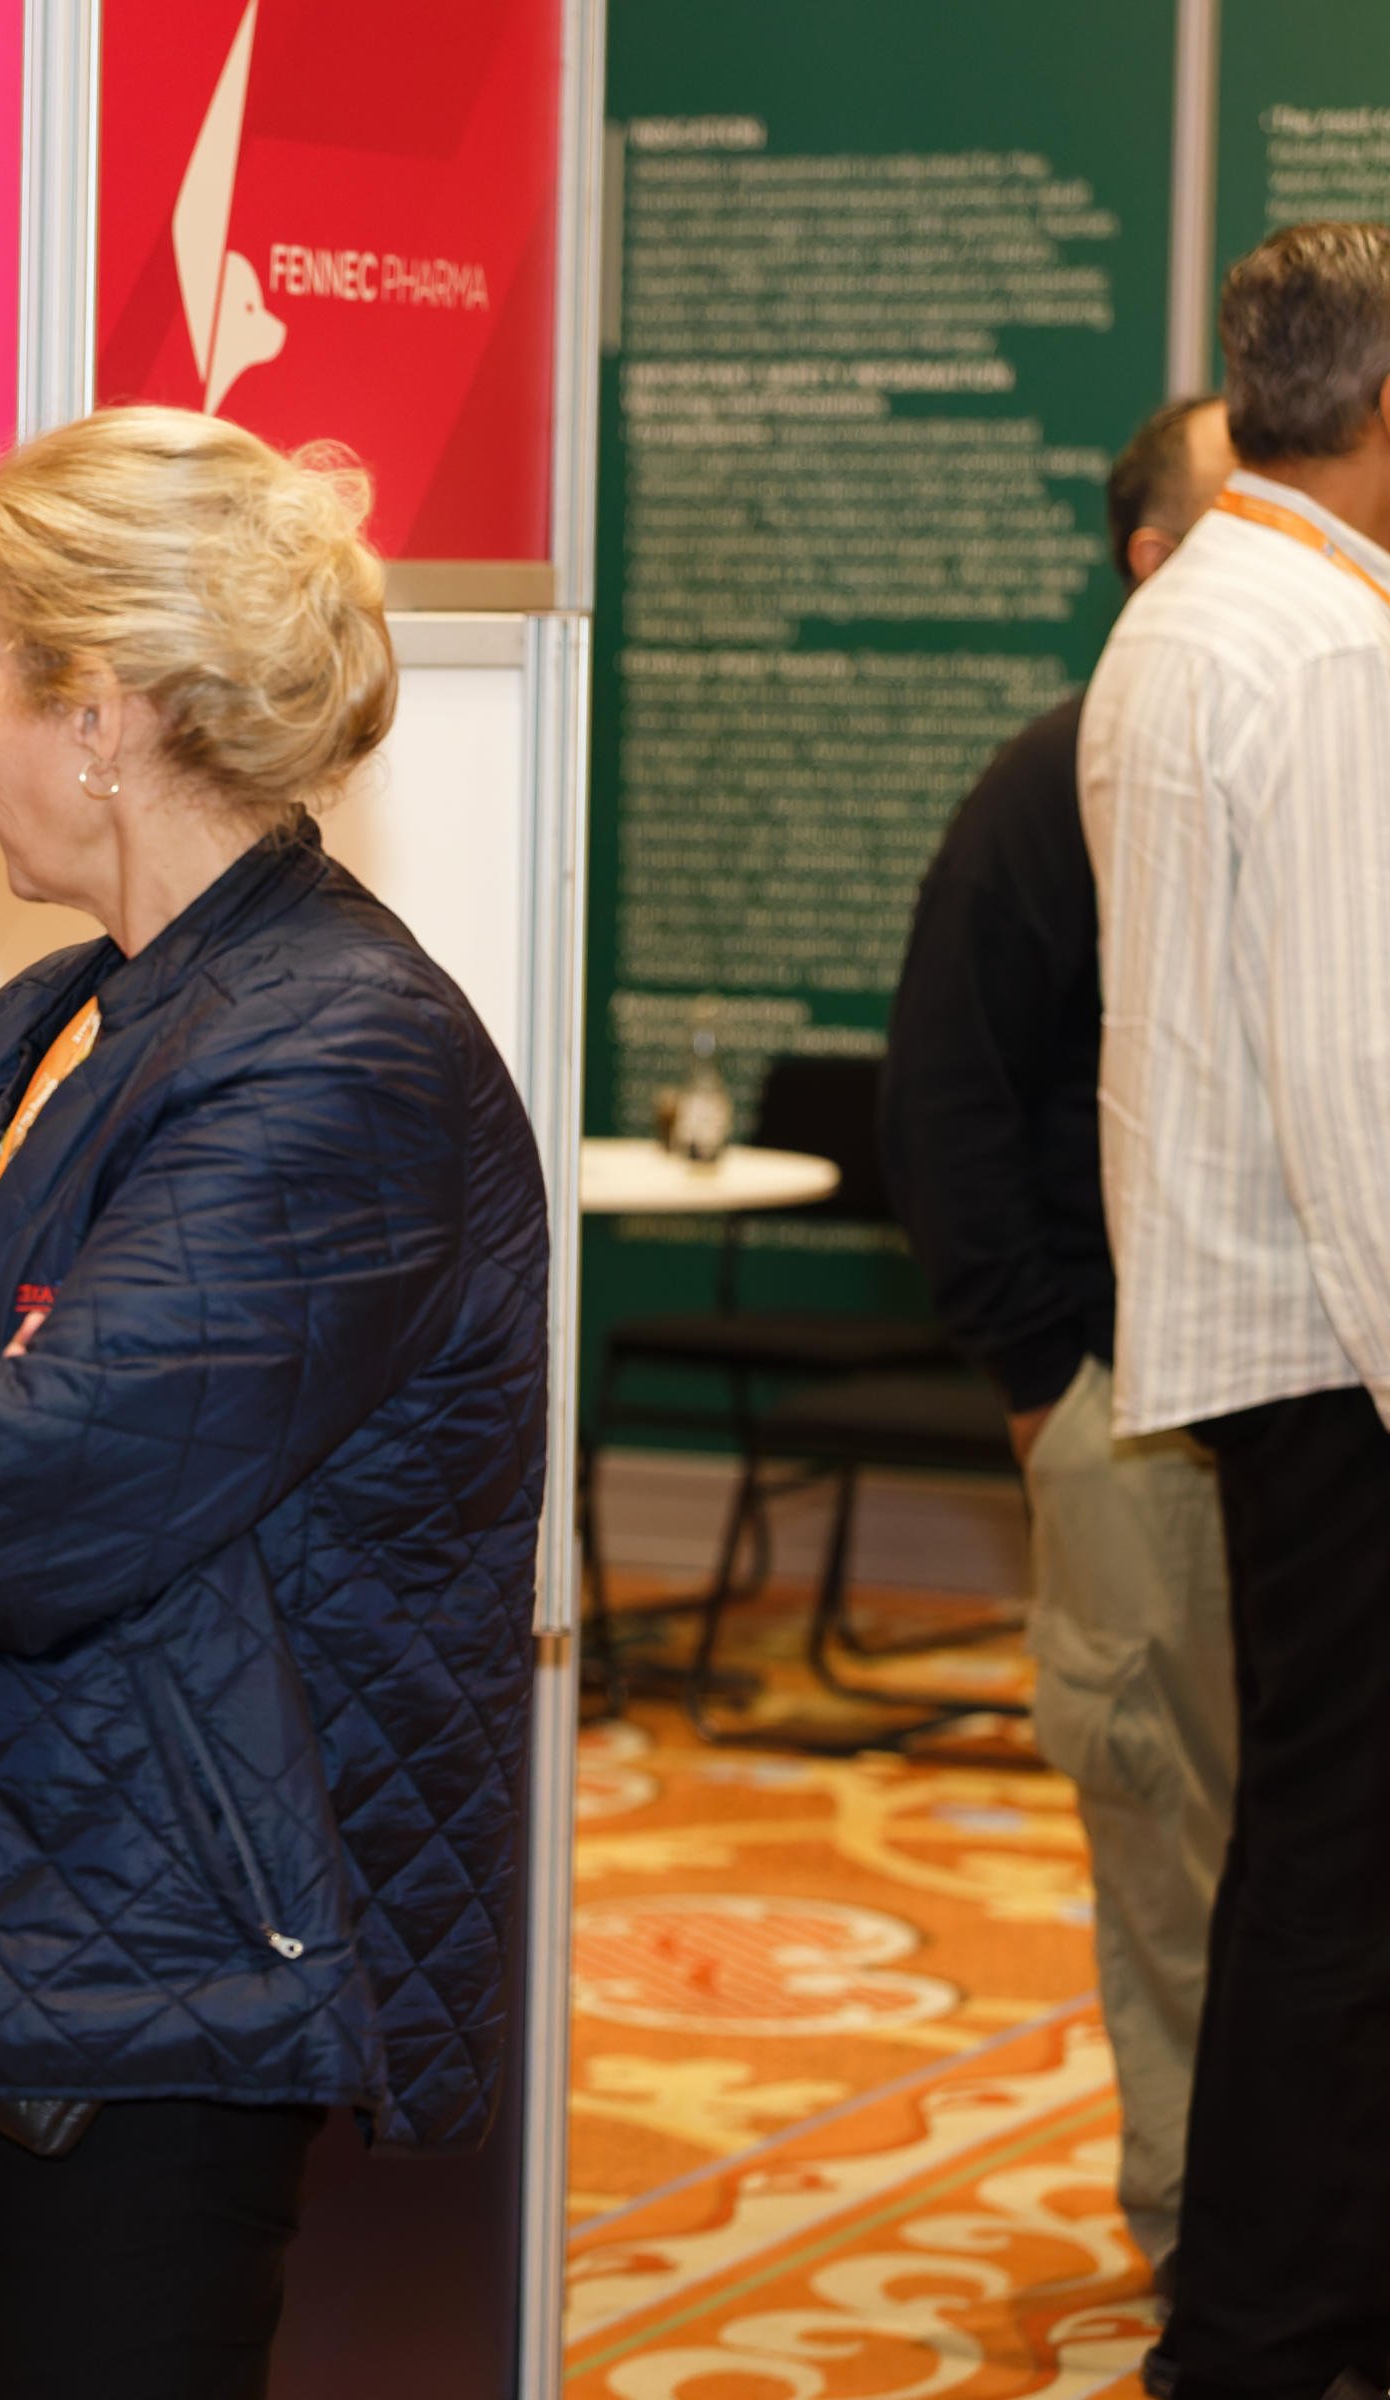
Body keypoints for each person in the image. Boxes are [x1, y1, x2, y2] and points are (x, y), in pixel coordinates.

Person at [0, 408, 549, 2400]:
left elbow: (9, 1499)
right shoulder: (62, 1007)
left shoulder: (339, 1056)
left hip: (163, 1967)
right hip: (20, 1914)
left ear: (101, 710)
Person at [878, 393, 1236, 2279]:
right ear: (1153, 561)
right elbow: (942, 1101)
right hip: (1130, 1412)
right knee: (1167, 1830)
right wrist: (1046, 1384)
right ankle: (1204, 2225)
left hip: (1306, 1409)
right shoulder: (1051, 787)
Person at [1085, 221, 1390, 2400]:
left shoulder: (1202, 610)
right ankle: (1284, 2323)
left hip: (1261, 1333)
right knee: (1338, 1872)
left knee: (1312, 1847)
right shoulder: (1326, 649)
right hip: (1342, 1343)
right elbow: (1360, 1077)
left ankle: (1277, 2307)